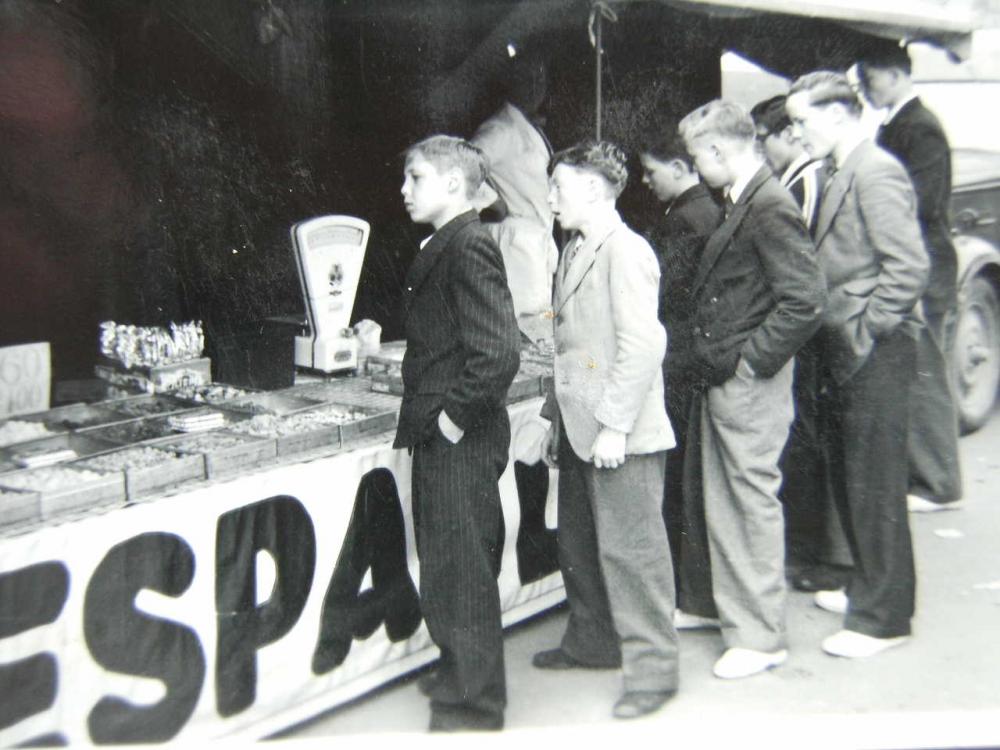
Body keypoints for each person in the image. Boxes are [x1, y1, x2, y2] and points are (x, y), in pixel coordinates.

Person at [678, 99, 826, 679]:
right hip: (731, 376)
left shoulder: (766, 205)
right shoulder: (748, 197)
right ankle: (732, 612)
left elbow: (806, 301)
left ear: (718, 151)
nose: (694, 167)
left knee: (747, 502)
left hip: (747, 382)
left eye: (696, 156)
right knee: (728, 499)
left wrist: (751, 364)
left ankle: (761, 637)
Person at [532, 140, 680, 720]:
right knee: (579, 545)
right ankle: (592, 641)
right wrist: (553, 418)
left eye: (558, 189)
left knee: (632, 553)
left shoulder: (627, 251)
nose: (549, 199)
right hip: (579, 428)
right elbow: (570, 345)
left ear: (593, 190)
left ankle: (653, 672)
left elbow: (643, 348)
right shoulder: (573, 249)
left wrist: (615, 426)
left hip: (620, 433)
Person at [787, 71, 929, 658]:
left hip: (874, 350)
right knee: (854, 477)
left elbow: (908, 269)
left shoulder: (876, 171)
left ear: (841, 115)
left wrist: (865, 332)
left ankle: (883, 618)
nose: (795, 133)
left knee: (873, 483)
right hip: (848, 348)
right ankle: (868, 586)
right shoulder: (844, 170)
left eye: (802, 120)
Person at [394, 135, 521, 731]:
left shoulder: (468, 244)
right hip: (445, 430)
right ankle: (457, 671)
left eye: (414, 178)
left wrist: (449, 422)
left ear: (451, 184)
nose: (403, 190)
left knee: (462, 567)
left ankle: (475, 704)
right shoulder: (450, 241)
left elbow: (497, 353)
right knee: (447, 563)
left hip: (457, 435)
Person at [750, 94, 851, 594]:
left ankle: (810, 549)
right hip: (799, 329)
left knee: (804, 439)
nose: (763, 150)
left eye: (765, 139)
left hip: (799, 334)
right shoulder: (797, 178)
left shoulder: (803, 181)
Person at [857, 45, 963, 514]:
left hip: (925, 265)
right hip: (916, 262)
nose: (865, 87)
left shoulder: (919, 128)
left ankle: (940, 485)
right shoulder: (898, 124)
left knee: (926, 374)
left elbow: (923, 203)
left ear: (898, 75)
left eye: (871, 78)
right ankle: (923, 474)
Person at [639, 133, 723, 630]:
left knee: (682, 481)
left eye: (652, 173)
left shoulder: (689, 218)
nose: (647, 182)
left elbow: (664, 286)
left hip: (680, 360)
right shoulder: (697, 211)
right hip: (688, 356)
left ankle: (692, 595)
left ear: (678, 165)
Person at [470, 51, 559, 343]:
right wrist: (490, 201)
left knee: (536, 327)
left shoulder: (527, 125)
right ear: (511, 83)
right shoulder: (501, 128)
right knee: (515, 330)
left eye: (541, 79)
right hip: (514, 239)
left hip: (536, 241)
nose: (537, 87)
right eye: (529, 79)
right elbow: (463, 164)